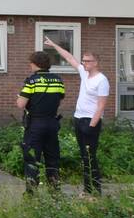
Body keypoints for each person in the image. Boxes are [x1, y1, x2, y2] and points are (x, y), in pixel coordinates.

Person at [45, 37, 109, 195]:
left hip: (90, 122)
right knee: (84, 157)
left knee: (90, 157)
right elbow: (68, 57)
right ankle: (88, 190)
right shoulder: (84, 74)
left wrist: (92, 125)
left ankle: (95, 191)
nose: (84, 63)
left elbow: (101, 106)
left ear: (96, 62)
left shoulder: (102, 80)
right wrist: (54, 45)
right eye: (84, 60)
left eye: (88, 61)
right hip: (78, 119)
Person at [16, 51, 66, 194]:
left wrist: (21, 97)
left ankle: (31, 194)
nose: (30, 66)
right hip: (52, 123)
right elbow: (59, 98)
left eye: (31, 63)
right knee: (53, 159)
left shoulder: (32, 81)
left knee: (32, 159)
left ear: (35, 64)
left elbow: (21, 104)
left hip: (35, 125)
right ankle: (55, 193)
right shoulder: (58, 80)